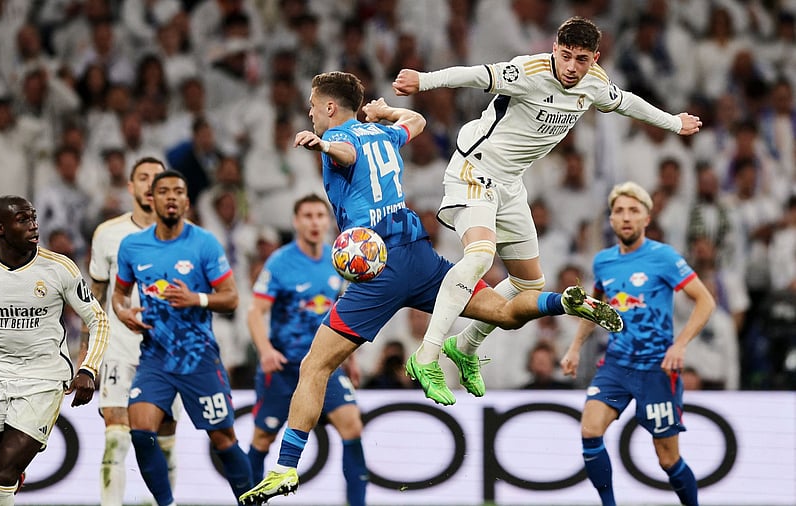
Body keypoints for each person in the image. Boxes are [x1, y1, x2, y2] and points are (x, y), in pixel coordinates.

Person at [239, 71, 622, 505]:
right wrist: (387, 112)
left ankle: (286, 469)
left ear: (330, 107)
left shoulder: (339, 139)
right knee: (501, 312)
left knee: (315, 367)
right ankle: (562, 300)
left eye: (313, 104)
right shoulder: (383, 133)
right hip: (419, 255)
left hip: (378, 267)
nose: (309, 112)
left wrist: (324, 145)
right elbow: (416, 122)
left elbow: (345, 154)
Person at [391, 16, 702, 403]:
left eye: (582, 59)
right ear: (555, 49)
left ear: (595, 58)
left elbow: (626, 103)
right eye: (566, 56)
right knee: (480, 256)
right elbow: (474, 75)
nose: (572, 67)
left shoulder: (594, 83)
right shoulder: (528, 70)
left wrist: (673, 122)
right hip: (475, 170)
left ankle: (465, 345)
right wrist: (424, 80)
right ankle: (428, 354)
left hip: (510, 185)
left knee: (528, 284)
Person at [0, 195, 109, 505]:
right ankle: (11, 483)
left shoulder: (60, 268)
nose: (34, 226)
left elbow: (99, 320)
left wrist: (88, 369)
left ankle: (10, 481)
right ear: (0, 229)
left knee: (3, 474)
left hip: (44, 378)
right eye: (23, 220)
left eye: (34, 218)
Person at [560, 182, 716, 506]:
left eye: (634, 211)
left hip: (657, 367)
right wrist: (575, 347)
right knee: (590, 430)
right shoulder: (603, 261)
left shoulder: (665, 257)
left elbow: (705, 302)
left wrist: (680, 345)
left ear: (647, 218)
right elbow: (596, 308)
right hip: (616, 364)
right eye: (619, 211)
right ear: (612, 220)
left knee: (667, 459)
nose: (626, 217)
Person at [111, 170, 252, 506]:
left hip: (199, 357)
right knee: (141, 432)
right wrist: (122, 312)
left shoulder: (204, 243)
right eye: (163, 191)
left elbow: (231, 298)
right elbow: (119, 293)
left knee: (223, 438)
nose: (171, 197)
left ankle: (252, 502)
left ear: (187, 202)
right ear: (152, 199)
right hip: (155, 357)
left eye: (178, 191)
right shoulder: (132, 246)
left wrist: (197, 299)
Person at [247, 193, 367, 506]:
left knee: (352, 425)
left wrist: (349, 358)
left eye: (320, 216)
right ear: (296, 222)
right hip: (284, 366)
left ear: (328, 221)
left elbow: (342, 315)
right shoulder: (280, 262)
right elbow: (254, 312)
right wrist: (265, 351)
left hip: (324, 366)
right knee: (263, 438)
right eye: (308, 216)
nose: (315, 222)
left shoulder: (339, 259)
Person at [83, 157, 180, 506]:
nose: (149, 183)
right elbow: (93, 297)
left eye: (156, 177)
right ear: (131, 187)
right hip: (119, 348)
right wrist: (87, 356)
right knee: (117, 438)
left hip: (169, 351)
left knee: (163, 440)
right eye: (142, 177)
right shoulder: (107, 234)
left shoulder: (185, 234)